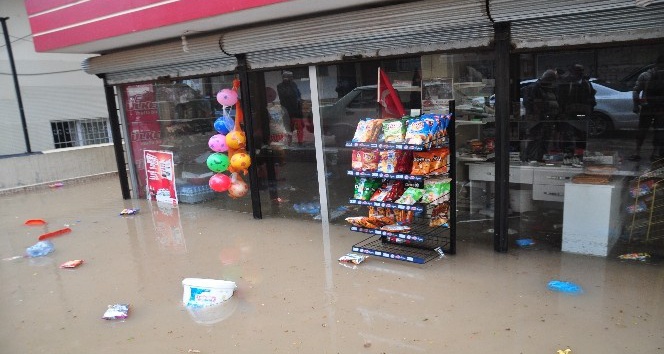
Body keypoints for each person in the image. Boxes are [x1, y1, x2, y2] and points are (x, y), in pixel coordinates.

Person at [631, 54, 664, 161]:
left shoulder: (645, 75)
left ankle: (637, 152)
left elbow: (636, 91)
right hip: (661, 108)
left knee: (642, 130)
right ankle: (655, 154)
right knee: (659, 131)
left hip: (647, 107)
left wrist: (636, 105)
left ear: (655, 63)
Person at [276, 71, 304, 144]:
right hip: (287, 111)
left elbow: (298, 94)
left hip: (297, 110)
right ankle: (289, 142)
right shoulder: (280, 86)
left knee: (300, 127)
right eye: (290, 77)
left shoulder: (294, 84)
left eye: (292, 77)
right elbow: (287, 95)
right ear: (285, 78)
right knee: (289, 128)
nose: (292, 78)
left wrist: (300, 101)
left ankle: (300, 142)